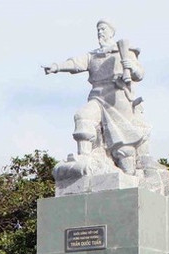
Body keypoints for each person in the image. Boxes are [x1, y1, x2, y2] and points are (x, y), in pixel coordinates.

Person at [42, 20, 150, 175]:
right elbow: (76, 63)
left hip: (118, 98)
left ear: (111, 32)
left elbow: (139, 74)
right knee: (82, 116)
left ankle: (130, 177)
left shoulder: (124, 51)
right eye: (98, 30)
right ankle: (84, 159)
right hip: (98, 96)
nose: (100, 32)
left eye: (103, 29)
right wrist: (57, 67)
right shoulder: (93, 55)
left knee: (123, 146)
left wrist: (131, 66)